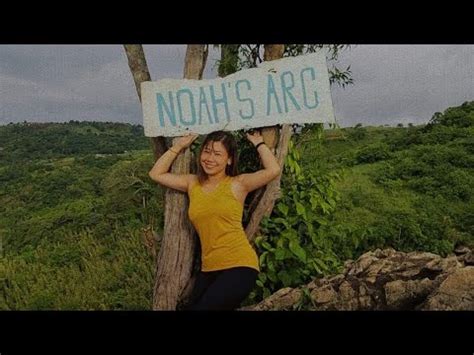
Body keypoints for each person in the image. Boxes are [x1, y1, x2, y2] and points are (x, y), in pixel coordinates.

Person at [148, 129, 281, 310]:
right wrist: (179, 145)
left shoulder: (238, 184)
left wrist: (258, 142)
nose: (210, 158)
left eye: (217, 154)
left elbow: (273, 169)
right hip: (208, 269)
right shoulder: (192, 183)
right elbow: (156, 174)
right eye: (207, 151)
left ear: (229, 160)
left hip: (239, 265)